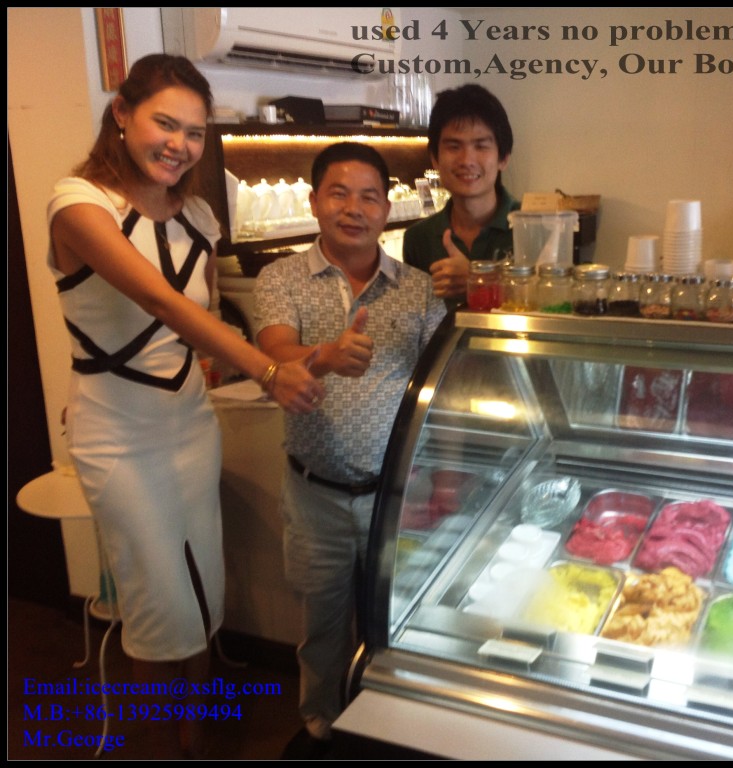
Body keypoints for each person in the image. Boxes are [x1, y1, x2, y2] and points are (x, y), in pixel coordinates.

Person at [45, 54, 325, 757]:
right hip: (117, 436)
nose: (179, 143)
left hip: (189, 427)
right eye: (164, 123)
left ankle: (192, 735)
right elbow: (156, 298)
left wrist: (266, 359)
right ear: (121, 112)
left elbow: (202, 321)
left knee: (204, 586)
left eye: (194, 132)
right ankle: (160, 746)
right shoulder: (78, 203)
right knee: (156, 602)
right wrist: (263, 368)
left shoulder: (198, 213)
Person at [254, 142, 447, 758]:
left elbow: (442, 382)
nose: (353, 208)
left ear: (387, 208)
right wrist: (324, 357)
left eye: (369, 195)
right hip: (316, 494)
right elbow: (272, 353)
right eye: (339, 192)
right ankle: (322, 728)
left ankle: (392, 730)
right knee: (324, 628)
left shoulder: (415, 289)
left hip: (400, 494)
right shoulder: (281, 277)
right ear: (314, 202)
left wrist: (443, 479)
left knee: (398, 621)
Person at [402, 84, 519, 308]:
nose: (467, 160)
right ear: (435, 158)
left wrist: (477, 281)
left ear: (503, 157)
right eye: (454, 147)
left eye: (481, 146)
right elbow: (417, 319)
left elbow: (548, 308)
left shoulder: (532, 227)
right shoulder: (418, 239)